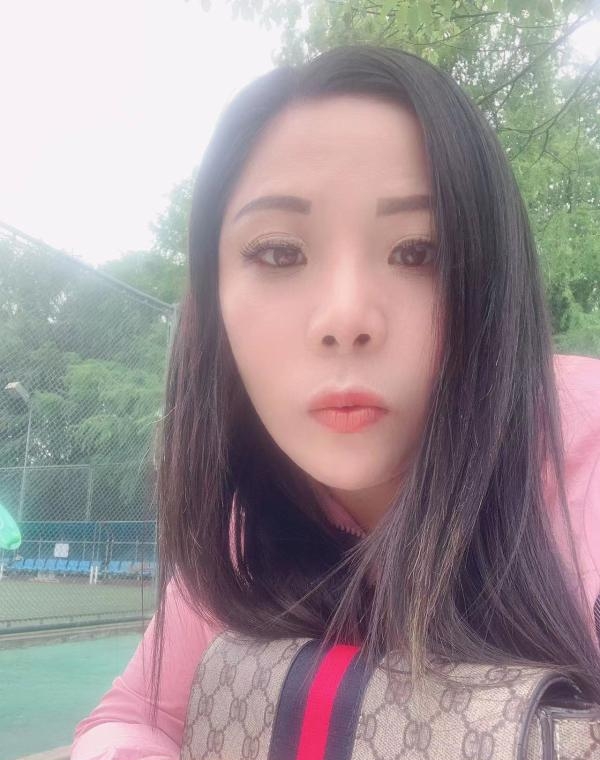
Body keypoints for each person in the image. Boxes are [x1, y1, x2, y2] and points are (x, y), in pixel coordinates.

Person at [70, 44, 600, 759]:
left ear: (491, 282)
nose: (346, 317)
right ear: (213, 306)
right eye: (279, 253)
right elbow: (132, 717)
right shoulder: (248, 526)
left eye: (418, 252)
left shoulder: (584, 458)